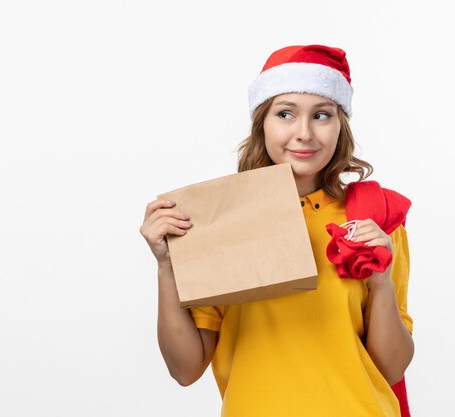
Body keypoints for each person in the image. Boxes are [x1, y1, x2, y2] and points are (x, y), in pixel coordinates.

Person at [139, 44, 415, 417]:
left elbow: (392, 368)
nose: (304, 133)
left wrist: (381, 282)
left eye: (322, 115)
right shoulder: (220, 221)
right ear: (262, 124)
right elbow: (185, 370)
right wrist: (167, 268)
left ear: (340, 126)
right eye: (285, 113)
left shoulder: (374, 220)